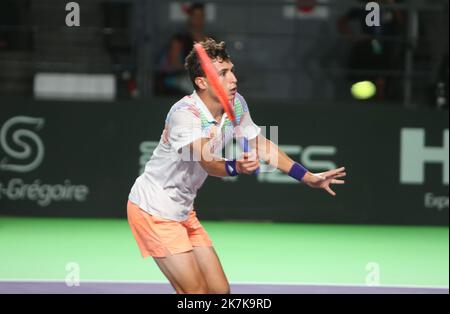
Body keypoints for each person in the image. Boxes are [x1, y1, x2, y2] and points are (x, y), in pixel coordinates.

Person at [127, 38, 347, 294]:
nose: (233, 79)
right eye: (223, 73)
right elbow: (208, 162)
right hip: (154, 209)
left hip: (183, 209)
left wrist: (307, 177)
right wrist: (235, 167)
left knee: (220, 292)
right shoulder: (185, 115)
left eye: (231, 70)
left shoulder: (236, 103)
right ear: (202, 82)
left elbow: (261, 145)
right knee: (195, 294)